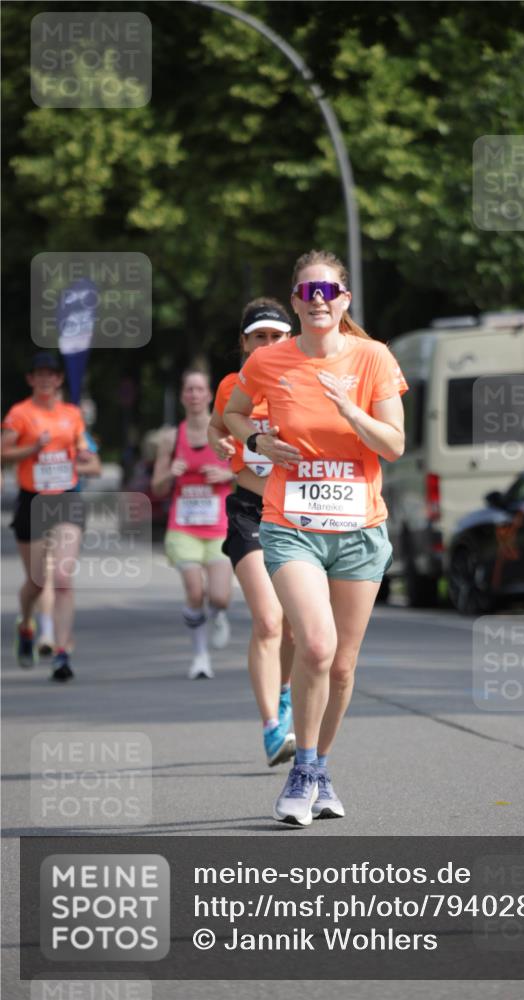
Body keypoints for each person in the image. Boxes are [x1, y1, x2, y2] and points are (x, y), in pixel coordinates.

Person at [224, 251, 407, 826]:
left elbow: (394, 445)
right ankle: (301, 769)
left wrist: (351, 410)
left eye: (329, 291)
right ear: (297, 300)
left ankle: (322, 765)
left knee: (345, 666)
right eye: (308, 292)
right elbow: (232, 415)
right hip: (290, 524)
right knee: (318, 646)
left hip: (360, 529)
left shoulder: (373, 357)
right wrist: (257, 443)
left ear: (344, 300)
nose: (318, 301)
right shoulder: (270, 362)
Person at [209, 298, 297, 767]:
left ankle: (284, 693)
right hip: (249, 511)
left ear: (290, 339)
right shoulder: (231, 386)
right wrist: (220, 439)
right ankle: (270, 728)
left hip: (298, 514)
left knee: (295, 630)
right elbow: (215, 424)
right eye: (258, 337)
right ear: (243, 343)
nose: (267, 345)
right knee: (268, 619)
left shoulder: (302, 382)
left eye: (277, 336)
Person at [1, 352, 92, 681]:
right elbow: (3, 451)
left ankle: (62, 651)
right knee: (38, 582)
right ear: (30, 379)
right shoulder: (20, 414)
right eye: (39, 374)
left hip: (66, 498)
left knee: (63, 580)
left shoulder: (72, 414)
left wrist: (83, 454)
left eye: (51, 375)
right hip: (32, 501)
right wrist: (31, 449)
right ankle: (26, 624)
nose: (45, 379)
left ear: (59, 380)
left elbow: (84, 449)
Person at [152, 369, 235, 680]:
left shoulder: (227, 432)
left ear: (210, 395)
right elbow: (157, 487)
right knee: (194, 590)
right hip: (183, 527)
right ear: (183, 396)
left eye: (200, 389)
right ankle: (200, 657)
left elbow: (249, 470)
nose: (195, 395)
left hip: (219, 526)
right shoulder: (171, 438)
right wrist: (170, 472)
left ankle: (218, 615)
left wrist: (230, 475)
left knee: (220, 596)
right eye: (189, 390)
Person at [36, 394, 102, 656]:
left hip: (68, 503)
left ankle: (57, 641)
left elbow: (95, 467)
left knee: (61, 575)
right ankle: (46, 631)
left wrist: (72, 464)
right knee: (43, 575)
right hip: (37, 503)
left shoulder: (75, 429)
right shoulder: (31, 426)